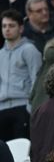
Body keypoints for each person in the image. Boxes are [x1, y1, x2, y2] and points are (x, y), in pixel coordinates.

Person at [0, 9, 41, 140]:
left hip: (23, 106)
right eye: (4, 26)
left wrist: (30, 108)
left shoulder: (29, 50)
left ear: (21, 28)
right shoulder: (1, 54)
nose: (7, 29)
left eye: (11, 26)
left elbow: (37, 80)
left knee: (22, 150)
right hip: (2, 108)